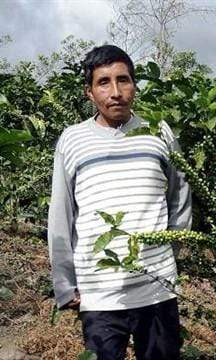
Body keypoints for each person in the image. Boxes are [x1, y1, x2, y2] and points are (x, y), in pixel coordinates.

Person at [48, 45, 191, 360]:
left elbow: (180, 192)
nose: (115, 92)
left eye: (123, 80)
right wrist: (64, 282)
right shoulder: (72, 140)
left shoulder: (158, 131)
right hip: (99, 292)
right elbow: (61, 215)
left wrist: (171, 248)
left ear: (134, 85)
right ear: (89, 92)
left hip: (156, 286)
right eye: (104, 82)